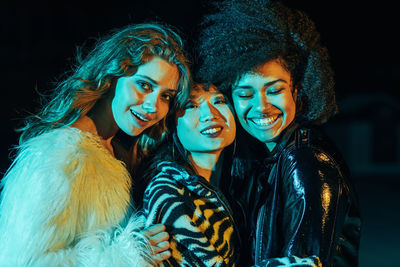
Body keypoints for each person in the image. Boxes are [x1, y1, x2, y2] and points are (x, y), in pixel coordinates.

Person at [0, 23, 191, 266]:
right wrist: (131, 255)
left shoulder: (114, 152)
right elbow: (21, 261)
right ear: (112, 76)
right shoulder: (61, 155)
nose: (154, 107)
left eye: (166, 96)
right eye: (144, 85)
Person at [196, 0, 361, 266]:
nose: (261, 107)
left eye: (274, 90)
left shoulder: (305, 162)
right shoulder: (267, 156)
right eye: (245, 94)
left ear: (297, 91)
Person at [137, 83, 237, 266]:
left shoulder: (240, 183)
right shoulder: (168, 192)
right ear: (171, 122)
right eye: (191, 105)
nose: (211, 114)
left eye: (219, 100)